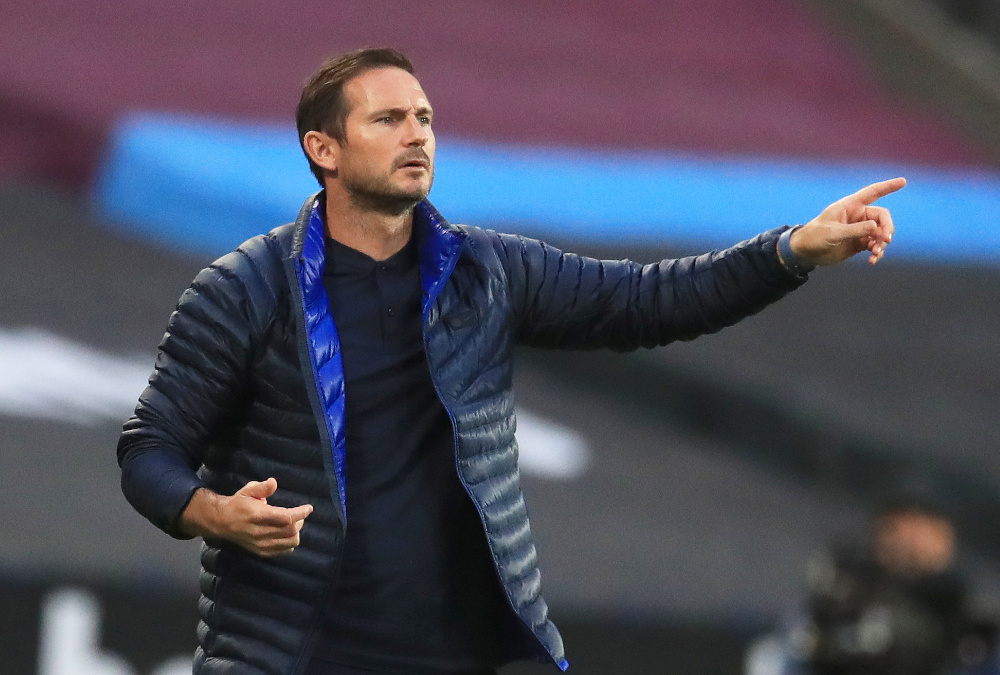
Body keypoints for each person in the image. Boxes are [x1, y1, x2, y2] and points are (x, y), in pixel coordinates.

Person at [117, 47, 904, 675]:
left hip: (455, 654)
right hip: (292, 655)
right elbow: (150, 447)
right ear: (323, 149)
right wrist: (211, 512)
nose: (417, 134)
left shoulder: (488, 271)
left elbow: (648, 301)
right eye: (388, 119)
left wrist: (792, 251)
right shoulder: (244, 289)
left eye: (424, 117)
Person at [747, 499, 1000, 675]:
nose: (915, 544)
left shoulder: (957, 610)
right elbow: (791, 650)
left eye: (931, 534)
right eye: (904, 531)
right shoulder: (846, 590)